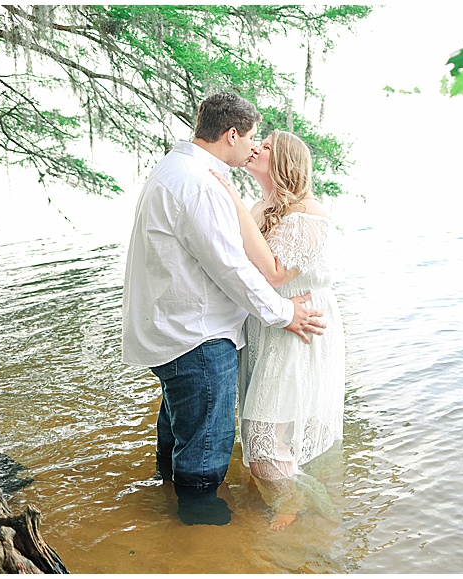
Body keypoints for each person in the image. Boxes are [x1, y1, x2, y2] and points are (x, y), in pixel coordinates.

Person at [121, 93, 326, 526]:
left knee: (180, 435)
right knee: (205, 455)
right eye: (251, 137)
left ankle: (168, 516)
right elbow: (232, 268)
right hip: (198, 337)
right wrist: (285, 314)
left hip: (174, 330)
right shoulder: (197, 182)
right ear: (230, 134)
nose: (254, 146)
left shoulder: (177, 169)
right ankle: (203, 533)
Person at [210, 129, 345, 530]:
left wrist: (231, 198)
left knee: (263, 435)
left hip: (298, 328)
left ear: (285, 162)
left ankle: (297, 498)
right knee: (258, 426)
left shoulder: (308, 214)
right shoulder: (262, 206)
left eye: (265, 146)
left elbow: (274, 273)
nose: (256, 148)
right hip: (271, 324)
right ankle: (281, 490)